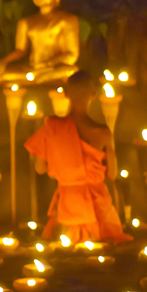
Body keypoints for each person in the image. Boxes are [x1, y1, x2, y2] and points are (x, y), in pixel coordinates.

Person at [24, 71, 132, 243]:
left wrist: (64, 168)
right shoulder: (103, 133)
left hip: (68, 205)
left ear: (65, 93)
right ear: (94, 94)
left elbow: (39, 169)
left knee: (67, 251)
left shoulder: (52, 128)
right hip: (98, 207)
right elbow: (112, 174)